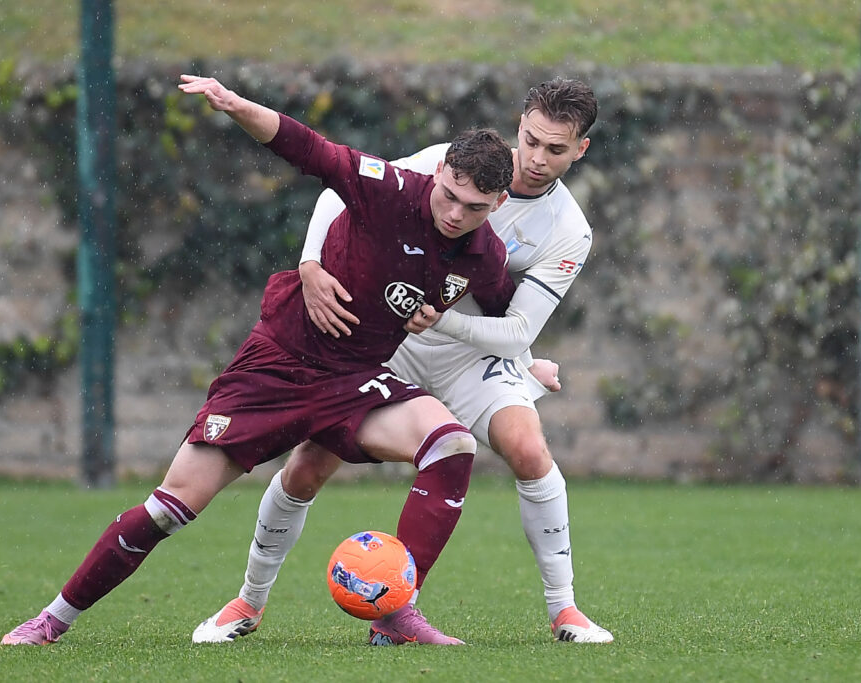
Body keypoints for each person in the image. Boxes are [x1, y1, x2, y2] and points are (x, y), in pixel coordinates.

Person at [0, 74, 517, 647]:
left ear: (497, 203)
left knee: (451, 444)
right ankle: (53, 620)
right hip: (276, 366)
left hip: (355, 381)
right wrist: (236, 105)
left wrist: (522, 363)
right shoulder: (391, 189)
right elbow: (309, 148)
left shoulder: (485, 254)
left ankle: (397, 614)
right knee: (171, 508)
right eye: (448, 194)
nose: (454, 213)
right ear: (439, 172)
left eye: (473, 208)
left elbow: (507, 320)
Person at [192, 78, 613, 646]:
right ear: (520, 124)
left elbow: (515, 328)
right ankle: (248, 601)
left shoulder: (569, 231)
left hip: (471, 356)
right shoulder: (451, 163)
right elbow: (340, 187)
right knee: (308, 467)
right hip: (389, 346)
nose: (537, 159)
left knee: (529, 450)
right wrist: (312, 263)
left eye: (556, 150)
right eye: (532, 141)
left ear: (580, 150)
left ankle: (563, 611)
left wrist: (460, 328)